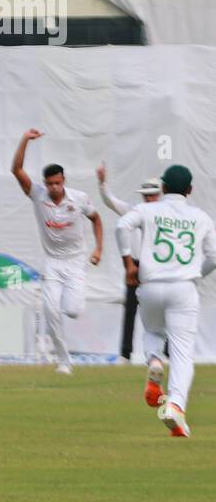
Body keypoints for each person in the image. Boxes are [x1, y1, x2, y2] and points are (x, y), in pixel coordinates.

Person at [116, 165, 216, 437]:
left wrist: (128, 263)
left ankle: (154, 363)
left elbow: (121, 225)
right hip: (183, 288)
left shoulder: (149, 209)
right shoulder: (200, 216)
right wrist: (196, 274)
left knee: (152, 331)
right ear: (190, 190)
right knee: (183, 353)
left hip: (150, 286)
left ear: (162, 188)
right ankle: (175, 405)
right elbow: (215, 255)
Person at [11, 129, 103, 374]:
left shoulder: (79, 198)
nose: (54, 187)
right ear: (45, 183)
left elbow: (96, 219)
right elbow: (17, 171)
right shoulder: (38, 196)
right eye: (50, 184)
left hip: (75, 261)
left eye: (58, 183)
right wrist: (25, 141)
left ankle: (69, 299)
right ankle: (64, 361)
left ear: (64, 181)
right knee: (50, 310)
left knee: (73, 310)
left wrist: (98, 249)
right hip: (52, 262)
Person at [98, 164, 162, 362]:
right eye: (146, 195)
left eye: (152, 195)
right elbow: (111, 202)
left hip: (158, 266)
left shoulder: (165, 214)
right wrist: (102, 184)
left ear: (160, 195)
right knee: (131, 310)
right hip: (134, 265)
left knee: (161, 309)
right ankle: (125, 353)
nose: (149, 198)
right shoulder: (134, 210)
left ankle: (164, 353)